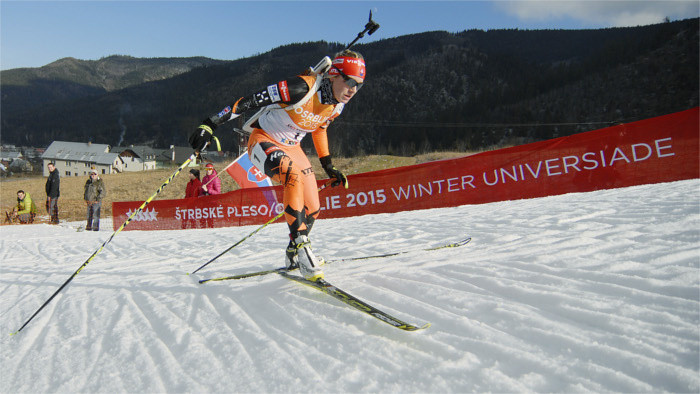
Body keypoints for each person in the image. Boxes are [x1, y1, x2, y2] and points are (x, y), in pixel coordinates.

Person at [189, 50, 364, 281]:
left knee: (313, 208)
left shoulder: (338, 104)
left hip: (293, 147)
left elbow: (321, 128)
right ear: (333, 74)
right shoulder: (301, 88)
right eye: (350, 81)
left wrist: (328, 165)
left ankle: (292, 251)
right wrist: (210, 124)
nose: (353, 89)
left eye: (359, 85)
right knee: (291, 176)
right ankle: (303, 248)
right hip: (263, 140)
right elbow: (249, 101)